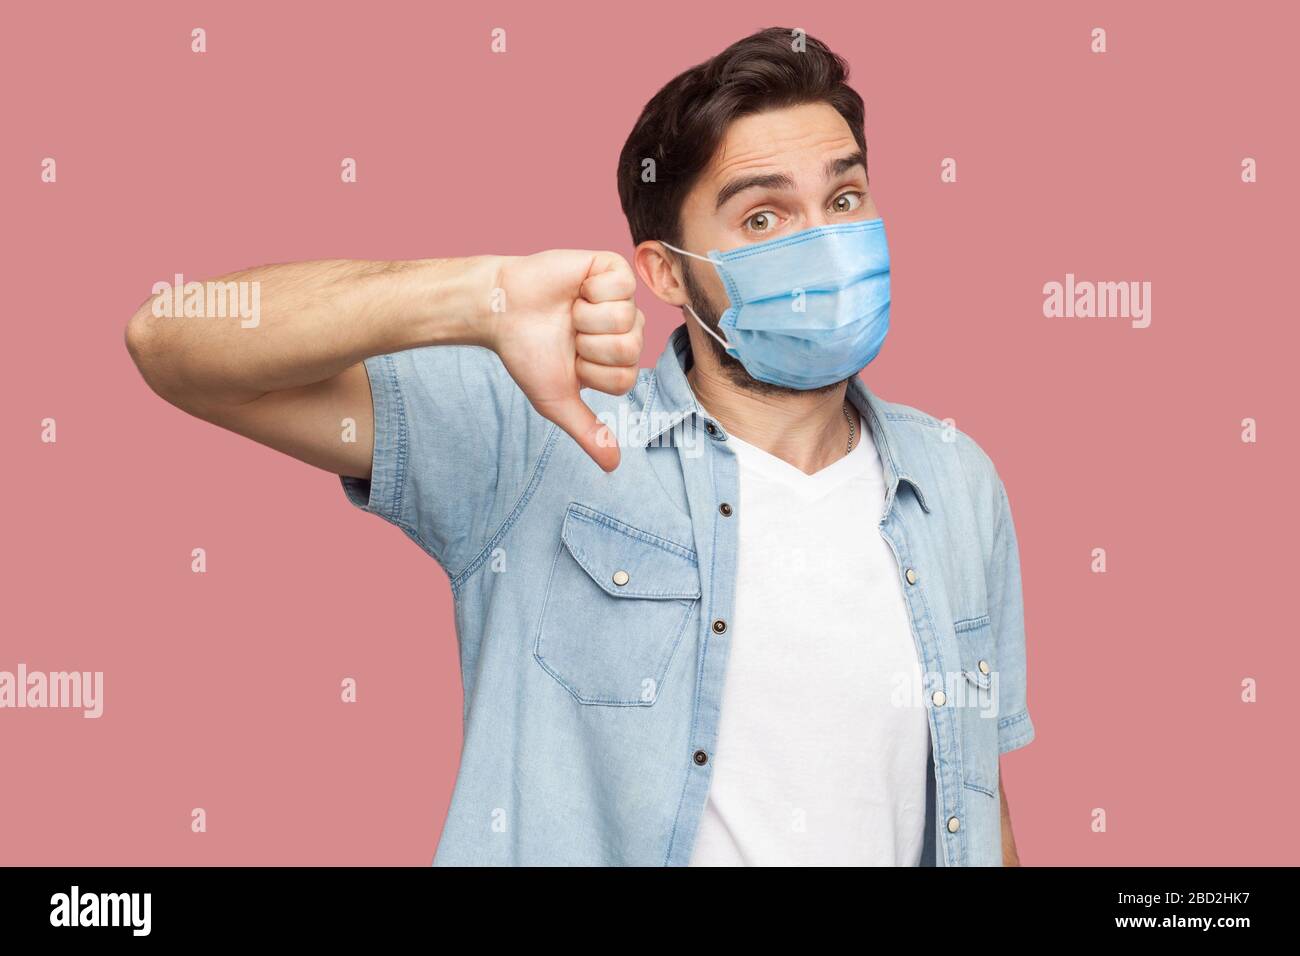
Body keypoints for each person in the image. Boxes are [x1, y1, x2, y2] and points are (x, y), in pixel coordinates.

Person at [125, 26, 1034, 866]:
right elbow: (175, 343)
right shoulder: (543, 435)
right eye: (763, 218)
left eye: (844, 197)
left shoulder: (954, 480)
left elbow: (979, 794)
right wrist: (475, 297)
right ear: (666, 271)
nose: (827, 243)